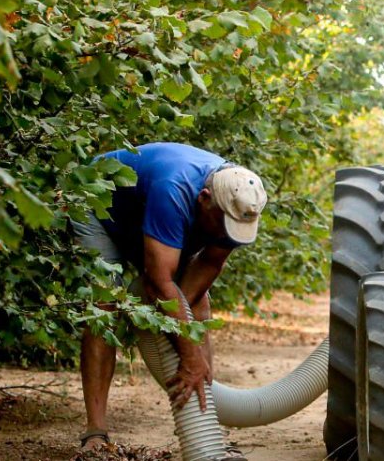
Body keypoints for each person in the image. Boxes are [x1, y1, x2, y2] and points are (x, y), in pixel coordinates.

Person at [72, 142, 267, 453]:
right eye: (223, 225)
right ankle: (95, 433)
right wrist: (188, 355)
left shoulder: (240, 205)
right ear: (204, 200)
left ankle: (207, 434)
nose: (227, 234)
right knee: (104, 307)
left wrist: (177, 325)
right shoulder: (173, 190)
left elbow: (209, 266)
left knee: (197, 304)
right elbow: (159, 284)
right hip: (97, 202)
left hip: (143, 216)